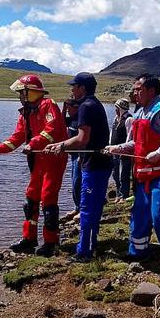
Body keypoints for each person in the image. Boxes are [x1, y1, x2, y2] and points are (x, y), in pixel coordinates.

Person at [0, 75, 69, 257]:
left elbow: (52, 129)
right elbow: (16, 138)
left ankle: (51, 242)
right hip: (37, 161)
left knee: (48, 197)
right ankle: (29, 239)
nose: (20, 96)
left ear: (32, 92)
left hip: (53, 159)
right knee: (31, 198)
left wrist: (33, 144)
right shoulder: (26, 113)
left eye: (23, 92)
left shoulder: (48, 105)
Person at [105, 74, 160, 264]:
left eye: (139, 89)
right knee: (139, 214)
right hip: (143, 176)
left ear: (151, 91)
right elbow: (137, 142)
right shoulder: (140, 111)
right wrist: (118, 148)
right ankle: (138, 252)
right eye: (134, 89)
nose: (135, 93)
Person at [44, 72, 112, 261]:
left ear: (82, 88)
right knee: (94, 206)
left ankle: (84, 252)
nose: (72, 90)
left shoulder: (86, 106)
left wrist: (61, 145)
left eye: (74, 86)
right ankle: (91, 243)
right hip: (101, 163)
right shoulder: (94, 104)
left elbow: (83, 139)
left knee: (87, 207)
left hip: (95, 166)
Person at [61, 98, 82, 221]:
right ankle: (77, 207)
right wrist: (63, 109)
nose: (68, 110)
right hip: (72, 155)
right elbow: (61, 121)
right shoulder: (72, 119)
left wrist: (80, 156)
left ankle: (81, 208)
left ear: (76, 107)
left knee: (78, 182)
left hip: (79, 156)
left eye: (69, 108)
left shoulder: (81, 119)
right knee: (74, 183)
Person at [110, 98, 133, 201]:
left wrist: (124, 149)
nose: (115, 110)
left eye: (117, 108)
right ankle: (119, 193)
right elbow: (112, 133)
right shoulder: (116, 119)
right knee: (115, 174)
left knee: (123, 174)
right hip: (114, 151)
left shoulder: (128, 119)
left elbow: (129, 136)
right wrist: (110, 145)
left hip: (123, 151)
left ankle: (123, 195)